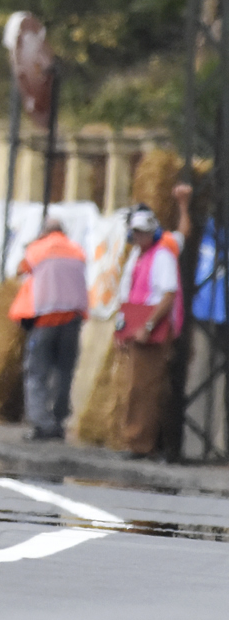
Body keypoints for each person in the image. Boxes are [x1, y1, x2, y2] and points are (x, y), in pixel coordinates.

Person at [114, 186, 191, 458]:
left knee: (144, 388)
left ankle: (142, 443)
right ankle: (138, 440)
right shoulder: (138, 256)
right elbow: (126, 294)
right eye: (135, 233)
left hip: (151, 327)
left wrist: (147, 326)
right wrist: (122, 330)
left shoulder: (162, 254)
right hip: (137, 325)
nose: (137, 237)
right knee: (137, 387)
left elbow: (168, 295)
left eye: (141, 233)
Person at [10, 216, 88, 442]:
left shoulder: (38, 248)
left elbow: (20, 270)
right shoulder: (77, 250)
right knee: (64, 373)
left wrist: (35, 243)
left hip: (45, 319)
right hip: (72, 319)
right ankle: (59, 421)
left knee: (37, 373)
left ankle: (42, 424)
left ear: (45, 232)